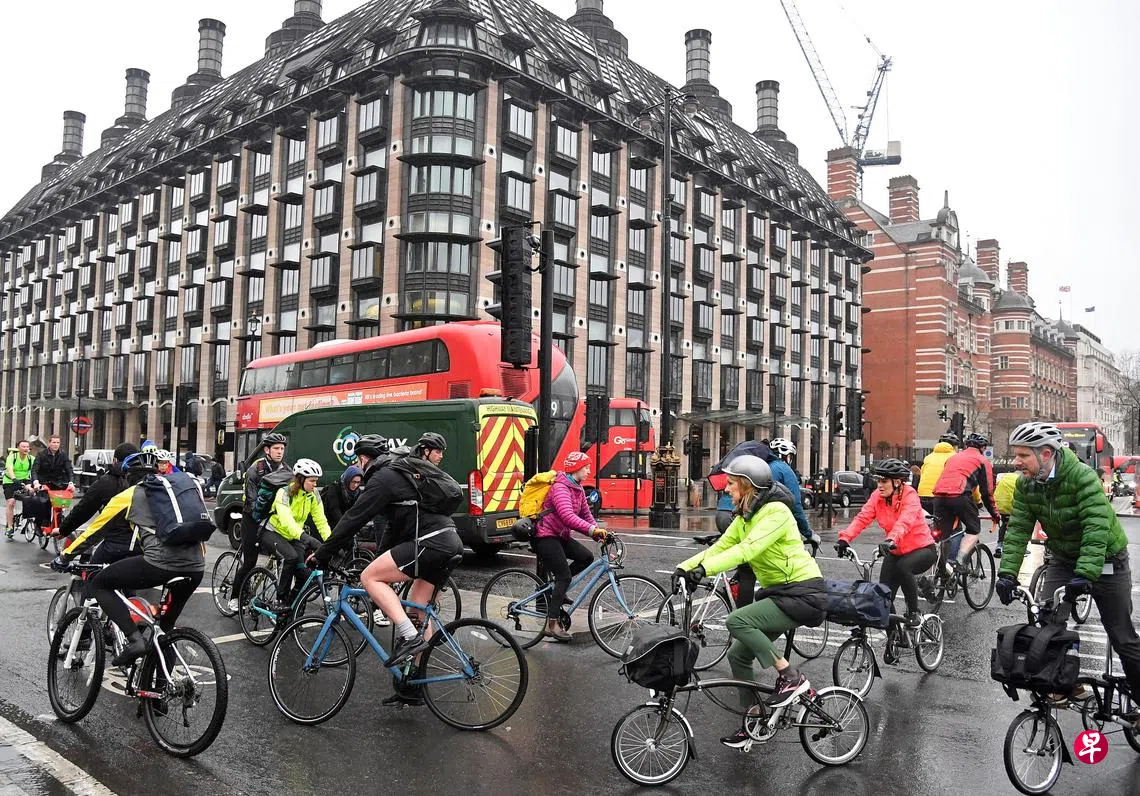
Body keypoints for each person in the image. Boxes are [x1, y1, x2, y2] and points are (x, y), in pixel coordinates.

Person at [673, 455, 826, 748]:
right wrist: (685, 567)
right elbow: (722, 547)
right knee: (737, 655)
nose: (726, 489)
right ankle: (753, 717)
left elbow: (747, 551)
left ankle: (791, 676)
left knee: (737, 620)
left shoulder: (776, 512)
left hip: (803, 593)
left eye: (732, 483)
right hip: (779, 594)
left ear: (748, 486)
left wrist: (705, 570)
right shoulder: (745, 517)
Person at [995, 422, 1140, 724]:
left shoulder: (1082, 477)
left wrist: (1086, 574)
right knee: (1047, 626)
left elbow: (1096, 529)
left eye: (1023, 455)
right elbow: (1018, 528)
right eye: (1016, 455)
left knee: (1122, 637)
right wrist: (1007, 573)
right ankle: (1066, 686)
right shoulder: (1026, 484)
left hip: (1107, 560)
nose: (1016, 462)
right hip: (1064, 559)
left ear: (1046, 454)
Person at [313, 432, 464, 670]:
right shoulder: (401, 474)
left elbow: (353, 518)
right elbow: (393, 527)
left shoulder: (383, 478)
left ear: (363, 459)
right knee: (417, 611)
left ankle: (411, 637)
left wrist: (323, 553)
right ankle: (415, 679)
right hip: (450, 539)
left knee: (369, 577)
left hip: (430, 542)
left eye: (358, 461)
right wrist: (380, 558)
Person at [52, 451, 205, 666]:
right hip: (196, 566)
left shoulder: (130, 494)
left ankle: (134, 639)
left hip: (160, 563)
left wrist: (65, 556)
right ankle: (162, 684)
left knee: (100, 583)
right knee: (165, 630)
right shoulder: (175, 491)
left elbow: (95, 531)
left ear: (128, 476)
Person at [835, 459, 937, 626]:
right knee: (882, 598)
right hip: (895, 551)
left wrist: (891, 539)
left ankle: (913, 613)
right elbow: (862, 517)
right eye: (878, 481)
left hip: (922, 549)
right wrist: (844, 538)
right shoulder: (877, 496)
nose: (879, 485)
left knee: (904, 567)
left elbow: (905, 520)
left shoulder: (910, 495)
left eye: (884, 481)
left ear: (896, 482)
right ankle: (894, 637)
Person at [532, 451, 608, 642]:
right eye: (586, 467)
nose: (589, 470)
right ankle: (551, 624)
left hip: (560, 535)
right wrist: (592, 530)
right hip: (545, 535)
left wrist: (598, 533)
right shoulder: (560, 488)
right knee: (564, 576)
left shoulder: (578, 488)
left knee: (586, 557)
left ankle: (559, 589)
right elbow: (567, 516)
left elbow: (585, 514)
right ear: (576, 468)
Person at [227, 432, 289, 609]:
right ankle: (235, 597)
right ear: (267, 450)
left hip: (273, 518)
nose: (280, 452)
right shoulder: (255, 470)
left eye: (282, 448)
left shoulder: (286, 470)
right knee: (250, 562)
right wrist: (261, 516)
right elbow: (252, 500)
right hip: (252, 518)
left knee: (282, 555)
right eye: (276, 448)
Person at [263, 459, 331, 612]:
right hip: (273, 531)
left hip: (294, 535)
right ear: (301, 479)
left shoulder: (313, 494)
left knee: (304, 575)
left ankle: (292, 609)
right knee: (291, 557)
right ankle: (280, 599)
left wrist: (330, 543)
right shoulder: (284, 493)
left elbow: (321, 521)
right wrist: (306, 538)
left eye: (316, 481)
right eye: (312, 480)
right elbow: (287, 522)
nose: (315, 484)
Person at [56, 443, 140, 565]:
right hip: (147, 546)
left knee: (92, 571)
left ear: (114, 460)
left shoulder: (106, 482)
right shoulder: (151, 482)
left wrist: (64, 530)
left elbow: (83, 510)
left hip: (116, 543)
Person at [932, 432, 1000, 571]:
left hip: (938, 496)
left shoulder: (952, 458)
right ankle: (958, 562)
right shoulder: (983, 461)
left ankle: (942, 570)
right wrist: (994, 514)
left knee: (944, 535)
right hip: (960, 495)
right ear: (983, 448)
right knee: (973, 529)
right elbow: (987, 493)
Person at [29, 434, 75, 530]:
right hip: (43, 484)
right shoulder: (41, 454)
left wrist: (71, 483)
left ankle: (58, 526)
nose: (56, 444)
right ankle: (39, 526)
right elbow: (35, 470)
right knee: (45, 505)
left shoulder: (63, 455)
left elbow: (69, 469)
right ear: (49, 443)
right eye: (54, 442)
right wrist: (36, 482)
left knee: (60, 506)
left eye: (58, 442)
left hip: (58, 484)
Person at [917, 432, 959, 516]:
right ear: (955, 446)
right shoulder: (956, 458)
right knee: (950, 520)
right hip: (942, 496)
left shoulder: (928, 457)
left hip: (923, 496)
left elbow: (922, 475)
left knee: (929, 520)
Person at [3, 440, 34, 539]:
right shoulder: (12, 457)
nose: (25, 449)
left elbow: (36, 470)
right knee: (11, 502)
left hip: (24, 480)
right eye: (23, 446)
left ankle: (29, 518)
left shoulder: (31, 458)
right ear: (18, 448)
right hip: (10, 481)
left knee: (32, 493)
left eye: (27, 447)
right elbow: (9, 469)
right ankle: (10, 526)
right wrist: (14, 479)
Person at [323, 464, 363, 529]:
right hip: (330, 525)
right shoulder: (334, 488)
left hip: (346, 525)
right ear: (348, 479)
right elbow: (334, 509)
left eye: (358, 482)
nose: (355, 485)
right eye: (353, 482)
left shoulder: (357, 493)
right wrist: (345, 526)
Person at [992, 470, 1017, 558]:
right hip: (1013, 505)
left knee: (1004, 524)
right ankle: (1017, 548)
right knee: (1018, 526)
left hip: (1001, 505)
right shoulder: (1019, 479)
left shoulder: (1004, 478)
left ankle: (1000, 545)